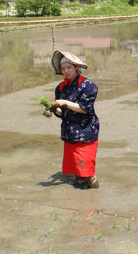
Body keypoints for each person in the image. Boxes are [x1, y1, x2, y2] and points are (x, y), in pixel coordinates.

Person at [50, 50, 100, 189]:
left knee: (88, 172)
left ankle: (93, 200)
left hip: (86, 130)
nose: (66, 71)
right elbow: (62, 113)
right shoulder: (60, 87)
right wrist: (54, 109)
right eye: (63, 68)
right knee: (78, 173)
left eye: (69, 68)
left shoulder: (88, 85)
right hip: (70, 131)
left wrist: (65, 102)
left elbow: (85, 108)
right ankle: (81, 203)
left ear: (76, 68)